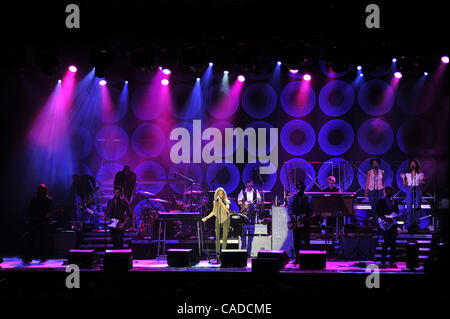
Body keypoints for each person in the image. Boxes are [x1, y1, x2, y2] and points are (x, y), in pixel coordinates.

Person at [23, 184, 56, 264]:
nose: (41, 192)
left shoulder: (49, 200)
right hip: (34, 222)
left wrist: (48, 218)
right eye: (40, 190)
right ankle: (28, 258)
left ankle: (43, 257)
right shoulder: (34, 199)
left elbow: (50, 211)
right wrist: (32, 218)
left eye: (43, 190)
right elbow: (30, 210)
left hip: (43, 222)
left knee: (43, 241)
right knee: (31, 240)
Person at [201, 187, 231, 263]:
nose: (221, 195)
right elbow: (213, 212)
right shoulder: (215, 202)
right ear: (217, 194)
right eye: (219, 193)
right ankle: (218, 257)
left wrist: (222, 203)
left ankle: (224, 256)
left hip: (226, 219)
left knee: (224, 238)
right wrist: (206, 218)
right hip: (218, 219)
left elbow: (227, 209)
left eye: (222, 193)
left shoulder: (227, 201)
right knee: (217, 238)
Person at [287, 182, 314, 264]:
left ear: (304, 189)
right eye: (298, 189)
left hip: (305, 222)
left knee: (306, 240)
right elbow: (290, 209)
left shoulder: (308, 198)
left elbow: (311, 211)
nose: (299, 190)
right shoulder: (292, 198)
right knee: (296, 240)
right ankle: (297, 258)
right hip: (296, 222)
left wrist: (306, 217)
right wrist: (292, 217)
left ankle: (306, 259)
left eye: (301, 189)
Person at [376, 186, 399, 268]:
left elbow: (396, 212)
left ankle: (392, 262)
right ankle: (383, 262)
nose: (390, 192)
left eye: (391, 191)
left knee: (393, 244)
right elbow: (378, 211)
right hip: (385, 223)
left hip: (392, 225)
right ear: (385, 192)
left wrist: (395, 217)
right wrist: (385, 218)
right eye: (388, 191)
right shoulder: (382, 200)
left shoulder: (395, 201)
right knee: (385, 244)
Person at [400, 159, 424, 233]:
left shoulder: (420, 174)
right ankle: (410, 225)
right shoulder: (407, 174)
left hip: (417, 189)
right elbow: (405, 185)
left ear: (416, 165)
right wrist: (403, 178)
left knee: (417, 207)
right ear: (410, 165)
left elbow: (421, 184)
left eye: (414, 164)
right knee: (409, 207)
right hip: (409, 189)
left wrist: (420, 180)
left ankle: (416, 224)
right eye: (411, 164)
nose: (412, 165)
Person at [365, 158, 385, 227]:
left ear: (378, 163)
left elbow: (383, 183)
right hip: (371, 191)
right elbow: (367, 183)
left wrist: (384, 192)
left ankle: (379, 222)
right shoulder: (369, 172)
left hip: (379, 190)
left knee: (379, 207)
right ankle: (374, 222)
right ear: (372, 164)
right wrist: (365, 194)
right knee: (373, 207)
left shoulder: (382, 172)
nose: (375, 164)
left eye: (376, 163)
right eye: (373, 163)